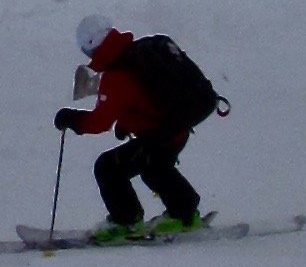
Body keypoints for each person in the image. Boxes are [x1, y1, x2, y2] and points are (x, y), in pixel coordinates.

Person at [55, 16, 208, 236]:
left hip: (162, 134)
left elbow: (99, 123)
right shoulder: (133, 56)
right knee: (153, 167)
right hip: (173, 129)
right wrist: (127, 123)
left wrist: (70, 119)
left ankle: (131, 222)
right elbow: (141, 99)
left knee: (111, 167)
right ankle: (184, 212)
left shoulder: (117, 74)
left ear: (91, 46)